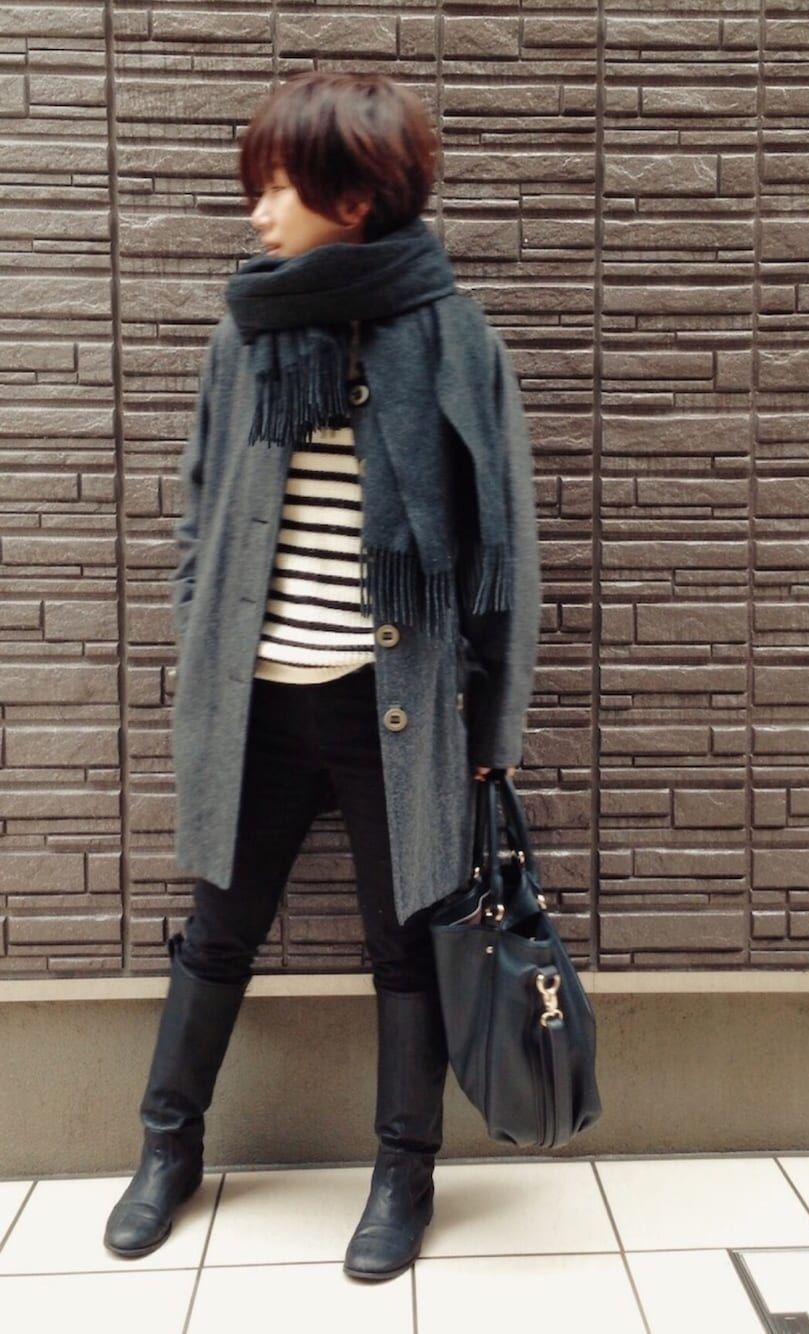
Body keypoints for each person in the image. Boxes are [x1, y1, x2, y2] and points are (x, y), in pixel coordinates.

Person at [103, 71, 540, 1282]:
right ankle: (166, 1145)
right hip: (254, 705)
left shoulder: (455, 341)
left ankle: (404, 1172)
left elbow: (506, 546)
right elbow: (200, 515)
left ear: (354, 198)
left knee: (408, 948)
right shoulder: (246, 334)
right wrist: (198, 645)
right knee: (216, 932)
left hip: (391, 709)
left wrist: (492, 727)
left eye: (279, 186)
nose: (257, 210)